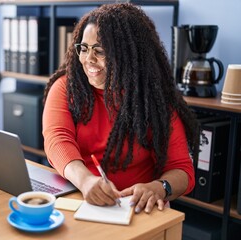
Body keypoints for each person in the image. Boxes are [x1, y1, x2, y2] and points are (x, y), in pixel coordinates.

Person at [42, 3, 199, 214]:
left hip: (135, 208)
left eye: (100, 51)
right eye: (84, 48)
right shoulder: (66, 87)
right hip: (78, 196)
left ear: (129, 55)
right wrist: (86, 180)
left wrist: (159, 188)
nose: (89, 59)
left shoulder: (154, 101)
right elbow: (57, 138)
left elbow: (183, 170)